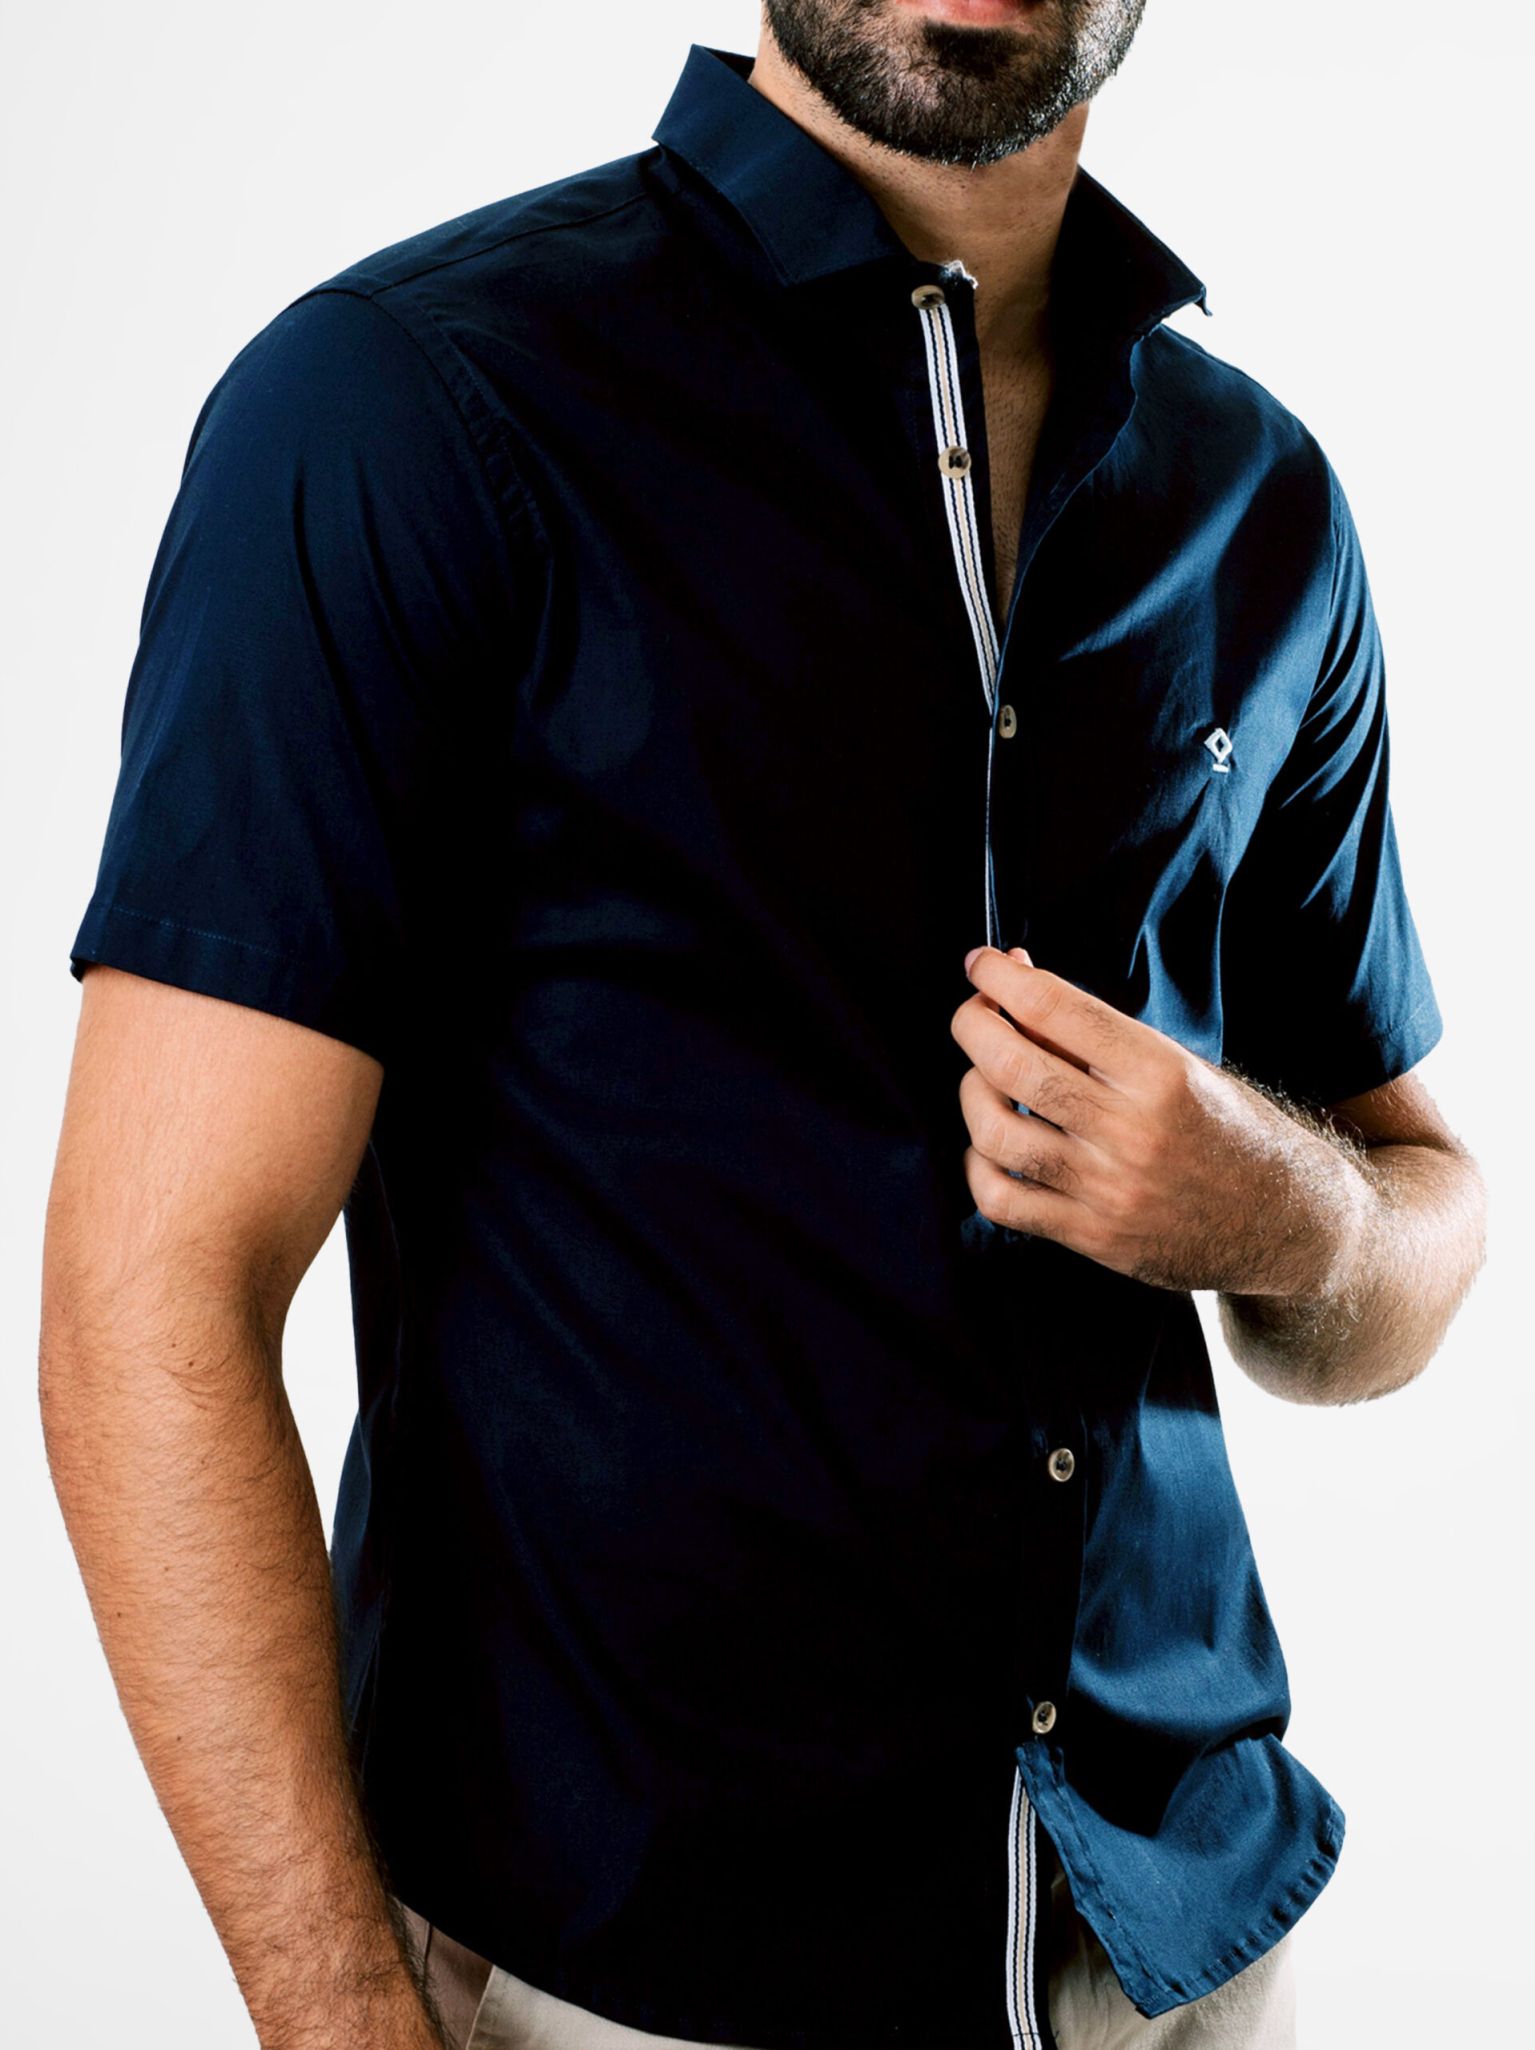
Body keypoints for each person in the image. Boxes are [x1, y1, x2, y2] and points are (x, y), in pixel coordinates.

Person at [40, 5, 1486, 2048]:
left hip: (1178, 1949)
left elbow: (1421, 1223)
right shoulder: (404, 405)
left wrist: (1267, 1203)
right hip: (624, 1968)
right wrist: (339, 2011)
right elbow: (147, 1301)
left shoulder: (1259, 506)